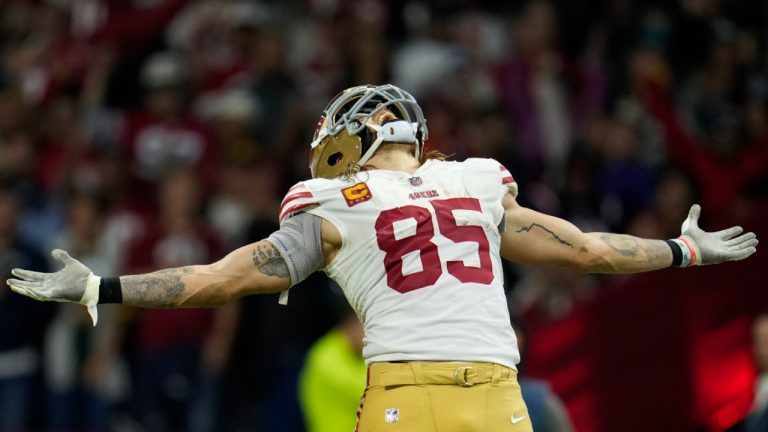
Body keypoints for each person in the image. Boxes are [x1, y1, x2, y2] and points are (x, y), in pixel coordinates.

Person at [6, 83, 759, 432]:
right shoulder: (477, 181)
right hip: (497, 397)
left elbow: (218, 280)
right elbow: (590, 252)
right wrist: (682, 247)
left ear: (367, 131)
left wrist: (102, 288)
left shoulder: (329, 201)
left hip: (410, 397)